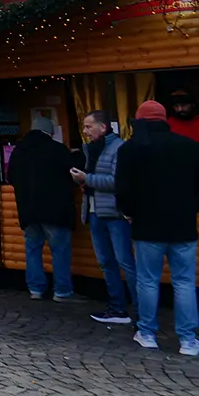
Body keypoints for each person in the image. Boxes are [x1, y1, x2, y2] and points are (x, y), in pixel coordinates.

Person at [116, 99, 199, 355]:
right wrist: (189, 208)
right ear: (164, 119)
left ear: (140, 120)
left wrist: (130, 214)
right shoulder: (190, 147)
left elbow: (123, 190)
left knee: (147, 281)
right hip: (183, 226)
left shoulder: (130, 149)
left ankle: (147, 333)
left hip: (147, 227)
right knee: (184, 282)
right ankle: (187, 340)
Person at [5, 115, 83, 302]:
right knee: (60, 251)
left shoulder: (18, 151)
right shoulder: (57, 149)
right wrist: (78, 154)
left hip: (28, 210)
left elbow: (11, 177)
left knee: (33, 250)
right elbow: (74, 171)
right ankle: (62, 291)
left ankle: (36, 290)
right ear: (50, 132)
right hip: (55, 210)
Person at [69, 110, 133, 325]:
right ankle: (117, 308)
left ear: (103, 127)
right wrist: (82, 180)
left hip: (115, 214)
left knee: (125, 261)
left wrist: (87, 178)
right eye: (84, 127)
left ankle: (143, 311)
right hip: (94, 211)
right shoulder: (90, 149)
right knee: (106, 262)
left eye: (89, 126)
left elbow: (117, 181)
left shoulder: (119, 148)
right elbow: (93, 181)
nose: (85, 131)